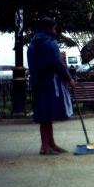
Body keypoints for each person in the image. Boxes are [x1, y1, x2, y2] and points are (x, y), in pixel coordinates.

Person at [27, 17, 75, 155]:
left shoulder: (34, 42)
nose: (55, 30)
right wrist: (69, 78)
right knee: (46, 114)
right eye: (54, 28)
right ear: (49, 28)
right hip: (49, 82)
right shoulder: (50, 43)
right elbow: (58, 63)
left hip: (38, 82)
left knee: (45, 114)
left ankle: (50, 143)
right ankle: (45, 146)